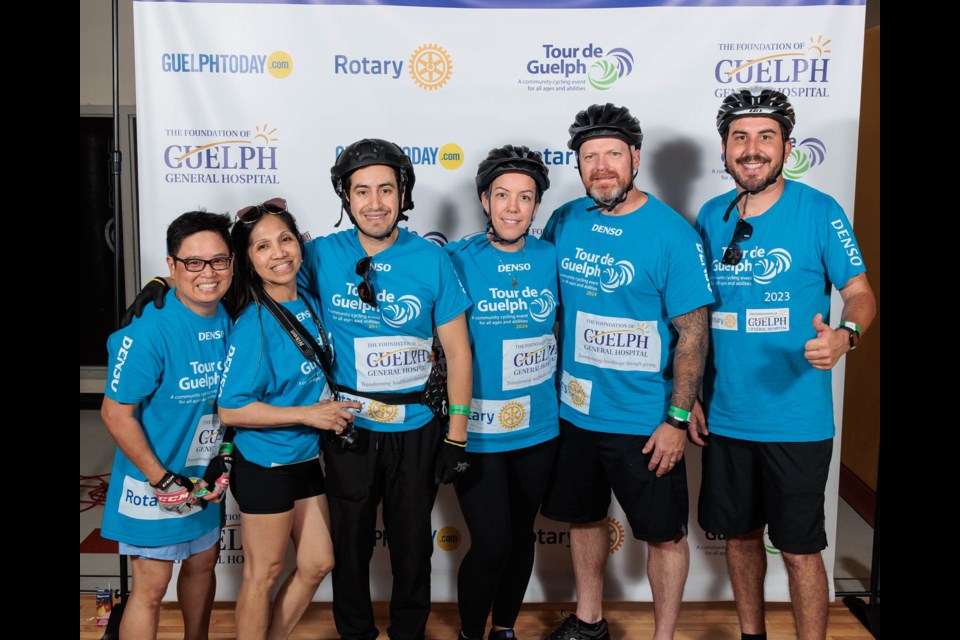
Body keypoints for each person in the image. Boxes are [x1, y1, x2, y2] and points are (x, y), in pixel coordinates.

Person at [691, 88, 876, 640]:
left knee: (799, 551)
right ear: (724, 150)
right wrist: (692, 393)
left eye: (765, 137)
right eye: (740, 138)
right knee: (742, 538)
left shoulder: (820, 210)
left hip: (797, 420)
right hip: (726, 417)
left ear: (787, 148)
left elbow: (861, 292)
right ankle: (753, 636)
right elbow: (696, 316)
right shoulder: (708, 216)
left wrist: (847, 335)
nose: (752, 149)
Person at [540, 104, 714, 640]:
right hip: (574, 412)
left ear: (635, 158)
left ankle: (662, 637)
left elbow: (693, 333)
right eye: (589, 157)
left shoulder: (672, 234)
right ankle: (589, 620)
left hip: (645, 420)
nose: (601, 167)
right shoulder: (564, 220)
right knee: (585, 517)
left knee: (663, 535)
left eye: (613, 154)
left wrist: (678, 415)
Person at [296, 138, 473, 640]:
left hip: (416, 427)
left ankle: (408, 632)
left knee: (413, 544)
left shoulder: (433, 260)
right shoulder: (320, 256)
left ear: (403, 194)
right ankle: (355, 633)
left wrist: (456, 435)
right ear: (345, 198)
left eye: (386, 190)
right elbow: (263, 279)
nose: (375, 203)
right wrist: (164, 281)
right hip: (349, 426)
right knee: (349, 545)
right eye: (362, 191)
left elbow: (458, 351)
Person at [216, 199, 362, 640]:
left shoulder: (311, 299)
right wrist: (309, 415)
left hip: (303, 458)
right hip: (264, 463)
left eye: (284, 239)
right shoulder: (254, 323)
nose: (278, 253)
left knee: (319, 562)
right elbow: (231, 408)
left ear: (300, 243)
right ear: (248, 261)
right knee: (264, 573)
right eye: (262, 247)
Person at [100, 211, 234, 640]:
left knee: (201, 566)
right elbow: (114, 413)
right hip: (154, 480)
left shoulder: (231, 316)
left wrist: (222, 460)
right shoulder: (149, 329)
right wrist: (161, 480)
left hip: (203, 476)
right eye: (193, 263)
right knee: (152, 588)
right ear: (171, 267)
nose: (208, 273)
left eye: (218, 261)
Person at [445, 146, 559, 640]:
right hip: (479, 432)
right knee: (491, 543)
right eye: (502, 196)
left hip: (538, 427)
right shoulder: (455, 258)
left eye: (525, 197)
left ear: (536, 206)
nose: (513, 208)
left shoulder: (552, 256)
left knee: (520, 538)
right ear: (485, 201)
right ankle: (472, 633)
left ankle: (505, 629)